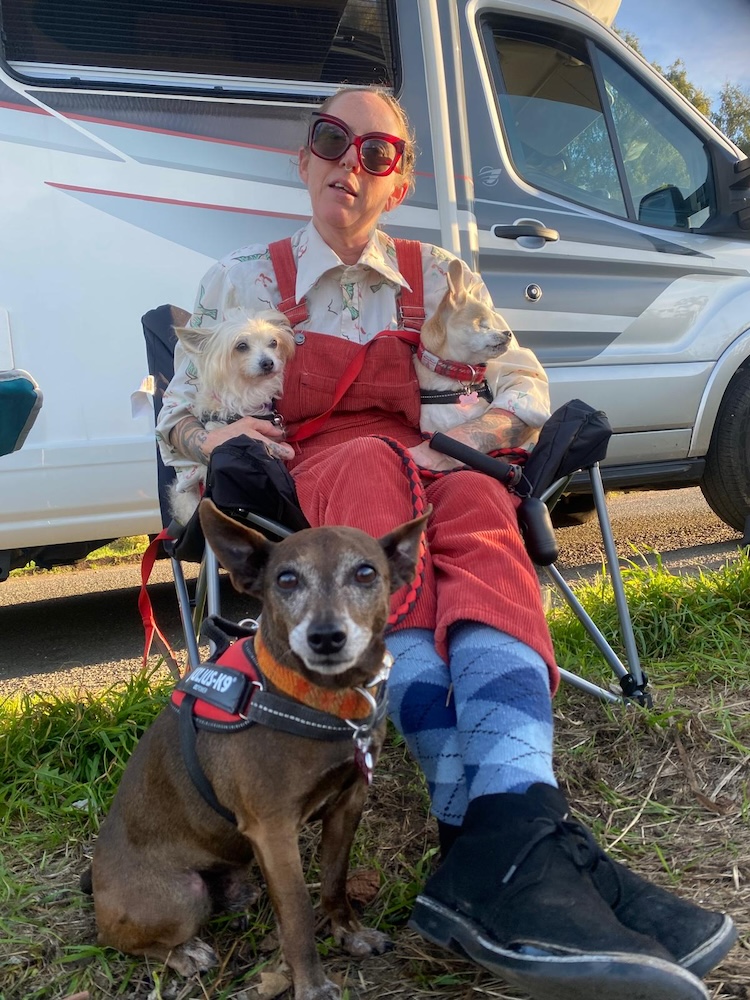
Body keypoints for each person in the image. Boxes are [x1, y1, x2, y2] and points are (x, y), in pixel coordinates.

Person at [156, 86, 735, 1000]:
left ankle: (505, 823)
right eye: (332, 141)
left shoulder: (440, 273)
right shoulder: (239, 281)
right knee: (365, 485)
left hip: (434, 457)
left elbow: (524, 385)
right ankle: (507, 852)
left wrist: (468, 438)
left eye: (378, 152)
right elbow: (177, 420)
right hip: (318, 480)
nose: (352, 163)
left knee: (474, 504)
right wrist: (214, 437)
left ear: (401, 177)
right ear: (303, 160)